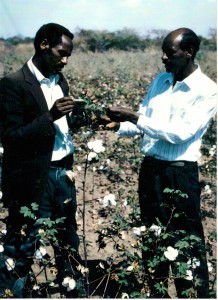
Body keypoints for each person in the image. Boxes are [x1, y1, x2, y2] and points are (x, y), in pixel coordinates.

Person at [106, 28, 217, 298]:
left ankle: (193, 295)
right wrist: (115, 125)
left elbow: (179, 133)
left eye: (170, 52)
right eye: (163, 52)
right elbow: (145, 121)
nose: (163, 58)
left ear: (189, 52)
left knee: (186, 241)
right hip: (151, 170)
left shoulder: (207, 90)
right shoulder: (161, 81)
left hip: (179, 174)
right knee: (153, 237)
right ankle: (157, 292)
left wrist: (133, 116)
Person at [0, 23, 87, 297]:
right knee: (22, 245)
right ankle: (11, 293)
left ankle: (73, 290)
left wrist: (87, 118)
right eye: (61, 53)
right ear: (44, 45)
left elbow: (61, 128)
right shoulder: (12, 85)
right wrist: (49, 116)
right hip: (32, 180)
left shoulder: (59, 80)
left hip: (64, 174)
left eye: (68, 55)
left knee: (67, 239)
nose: (65, 60)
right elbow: (11, 138)